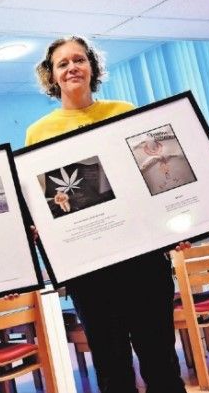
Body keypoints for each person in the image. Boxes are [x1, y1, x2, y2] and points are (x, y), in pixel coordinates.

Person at [27, 36, 187, 393]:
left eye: (79, 59)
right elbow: (49, 201)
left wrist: (176, 223)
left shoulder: (124, 111)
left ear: (92, 67)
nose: (72, 68)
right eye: (62, 63)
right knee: (112, 371)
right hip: (90, 271)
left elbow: (150, 179)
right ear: (51, 75)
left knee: (161, 363)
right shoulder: (38, 133)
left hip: (143, 261)